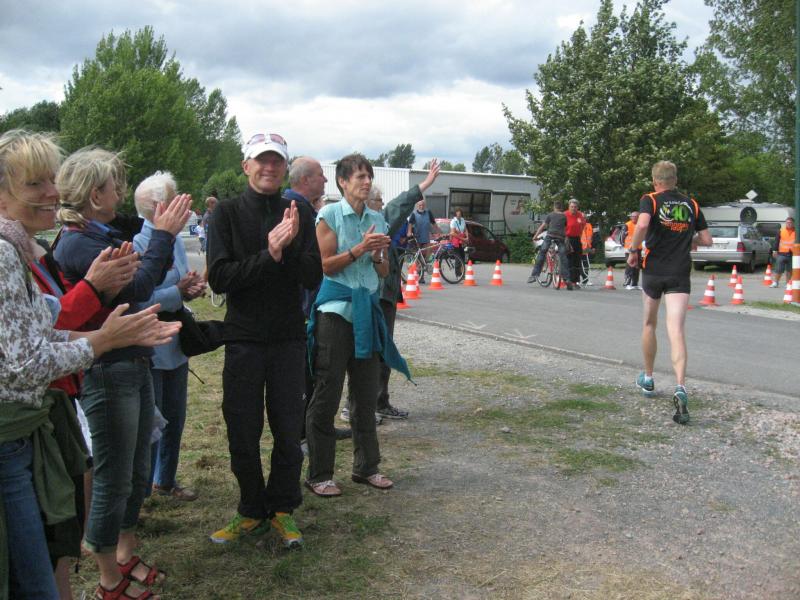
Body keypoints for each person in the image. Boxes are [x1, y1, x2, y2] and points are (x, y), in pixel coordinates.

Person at [0, 129, 180, 600]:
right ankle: (108, 576)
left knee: (55, 545)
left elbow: (43, 323)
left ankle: (117, 562)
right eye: (35, 183)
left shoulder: (24, 248)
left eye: (52, 180)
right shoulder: (30, 249)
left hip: (35, 421)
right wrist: (103, 338)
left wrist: (113, 331)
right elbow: (25, 361)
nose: (52, 192)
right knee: (97, 493)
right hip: (22, 426)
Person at [54, 146, 192, 600]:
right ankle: (107, 578)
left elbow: (138, 278)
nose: (120, 193)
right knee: (114, 476)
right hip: (107, 370)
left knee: (135, 471)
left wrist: (152, 242)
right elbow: (137, 288)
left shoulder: (99, 234)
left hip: (131, 361)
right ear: (95, 195)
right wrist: (164, 235)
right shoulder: (78, 243)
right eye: (114, 186)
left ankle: (125, 553)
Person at [206, 132, 321, 548]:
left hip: (288, 337)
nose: (269, 168)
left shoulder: (299, 212)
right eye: (261, 160)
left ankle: (283, 508)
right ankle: (251, 509)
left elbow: (313, 275)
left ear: (285, 168)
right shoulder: (226, 213)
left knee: (289, 429)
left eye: (276, 161)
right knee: (242, 428)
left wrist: (287, 251)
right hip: (245, 338)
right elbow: (220, 278)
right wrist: (269, 254)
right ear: (246, 166)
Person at [305, 153, 411, 498]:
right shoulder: (329, 215)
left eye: (369, 176)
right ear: (342, 182)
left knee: (365, 395)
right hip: (335, 314)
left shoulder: (377, 218)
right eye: (359, 177)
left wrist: (377, 255)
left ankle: (367, 468)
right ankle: (320, 474)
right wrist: (360, 248)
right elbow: (325, 265)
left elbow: (382, 271)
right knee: (327, 393)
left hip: (367, 311)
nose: (366, 182)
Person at [343, 160, 442, 423]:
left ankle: (373, 402)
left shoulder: (368, 221)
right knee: (371, 350)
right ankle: (361, 405)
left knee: (374, 349)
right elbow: (399, 206)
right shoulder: (377, 221)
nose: (383, 204)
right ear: (371, 202)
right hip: (376, 294)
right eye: (379, 200)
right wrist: (424, 185)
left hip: (381, 293)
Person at [134, 172, 206, 503]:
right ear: (159, 207)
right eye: (175, 198)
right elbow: (140, 299)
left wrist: (190, 288)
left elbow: (177, 284)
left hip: (175, 341)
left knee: (176, 417)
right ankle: (143, 492)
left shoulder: (174, 240)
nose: (183, 205)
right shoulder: (138, 244)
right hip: (151, 343)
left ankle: (165, 480)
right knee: (153, 422)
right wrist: (178, 292)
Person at [628, 160, 712, 425]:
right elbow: (707, 240)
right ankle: (680, 386)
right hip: (679, 272)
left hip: (654, 271)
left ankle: (648, 378)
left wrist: (633, 250)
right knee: (676, 329)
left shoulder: (650, 200)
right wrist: (689, 239)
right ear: (675, 180)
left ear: (655, 181)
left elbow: (642, 225)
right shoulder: (691, 204)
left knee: (649, 323)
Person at [526, 201, 571, 289]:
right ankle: (567, 279)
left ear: (554, 207)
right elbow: (565, 228)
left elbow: (542, 227)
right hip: (560, 237)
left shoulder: (550, 215)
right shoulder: (564, 216)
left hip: (550, 236)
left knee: (542, 252)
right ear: (561, 208)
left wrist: (535, 236)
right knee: (563, 256)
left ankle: (534, 275)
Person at [406, 198, 439, 282]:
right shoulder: (414, 214)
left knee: (425, 258)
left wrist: (438, 233)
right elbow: (410, 224)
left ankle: (422, 275)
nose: (421, 206)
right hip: (417, 238)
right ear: (417, 206)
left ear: (425, 205)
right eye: (420, 205)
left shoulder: (428, 212)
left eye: (423, 205)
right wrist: (409, 232)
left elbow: (434, 223)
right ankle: (418, 276)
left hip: (426, 238)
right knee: (418, 258)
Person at [564, 198, 586, 286]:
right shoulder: (565, 215)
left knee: (577, 260)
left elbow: (583, 225)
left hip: (577, 238)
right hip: (567, 238)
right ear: (569, 207)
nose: (573, 208)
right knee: (570, 260)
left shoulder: (580, 215)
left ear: (577, 207)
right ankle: (569, 280)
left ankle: (575, 281)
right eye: (572, 206)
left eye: (575, 207)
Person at [770, 216, 795, 288]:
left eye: (790, 223)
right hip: (782, 253)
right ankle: (775, 282)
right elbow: (776, 241)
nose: (789, 224)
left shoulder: (797, 231)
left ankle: (787, 283)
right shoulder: (781, 231)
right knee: (778, 269)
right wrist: (774, 250)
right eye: (787, 222)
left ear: (793, 223)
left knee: (789, 270)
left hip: (792, 253)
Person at [624, 211, 641, 290]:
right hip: (629, 248)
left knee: (637, 266)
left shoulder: (640, 224)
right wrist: (625, 246)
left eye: (636, 217)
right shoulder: (627, 225)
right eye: (633, 217)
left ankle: (635, 283)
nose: (634, 218)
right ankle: (627, 282)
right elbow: (622, 236)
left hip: (638, 248)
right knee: (630, 265)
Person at [450, 208, 468, 273]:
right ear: (455, 214)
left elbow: (465, 229)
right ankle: (458, 274)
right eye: (458, 214)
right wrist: (463, 239)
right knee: (458, 258)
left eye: (460, 214)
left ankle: (462, 273)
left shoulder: (463, 220)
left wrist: (467, 237)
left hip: (461, 242)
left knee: (462, 257)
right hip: (456, 242)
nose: (459, 215)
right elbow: (452, 233)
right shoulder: (453, 221)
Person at [580, 219, 594, 285]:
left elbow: (592, 237)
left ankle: (585, 280)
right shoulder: (577, 226)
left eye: (584, 218)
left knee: (586, 265)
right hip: (578, 248)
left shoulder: (589, 226)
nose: (583, 219)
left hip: (586, 248)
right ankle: (577, 280)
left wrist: (593, 247)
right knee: (578, 264)